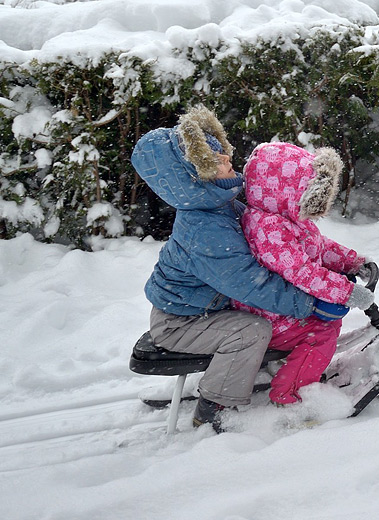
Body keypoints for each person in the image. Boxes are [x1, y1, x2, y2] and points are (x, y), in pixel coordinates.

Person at [132, 106, 350, 432]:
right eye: (214, 160)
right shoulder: (206, 230)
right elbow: (253, 284)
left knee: (263, 320)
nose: (226, 160)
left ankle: (251, 370)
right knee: (252, 331)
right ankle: (215, 406)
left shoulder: (221, 203)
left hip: (203, 310)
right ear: (194, 178)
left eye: (222, 153)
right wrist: (310, 304)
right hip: (179, 323)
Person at [231, 142, 375, 406]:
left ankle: (302, 367)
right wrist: (346, 291)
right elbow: (303, 272)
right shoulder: (269, 229)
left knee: (328, 322)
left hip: (281, 307)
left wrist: (352, 262)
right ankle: (292, 395)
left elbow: (318, 247)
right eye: (307, 193)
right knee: (319, 334)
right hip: (270, 315)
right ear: (282, 190)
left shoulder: (286, 216)